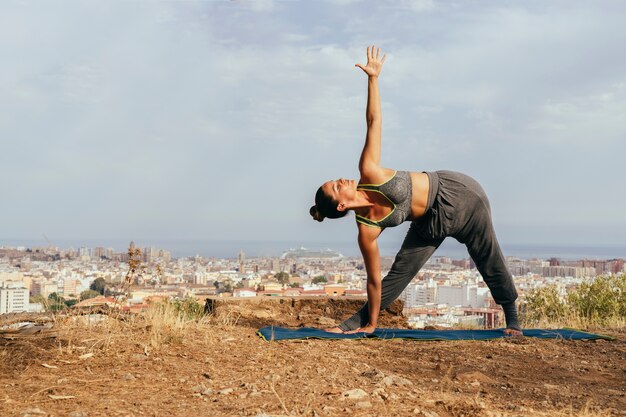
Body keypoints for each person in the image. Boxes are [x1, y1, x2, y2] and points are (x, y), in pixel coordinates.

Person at [309, 45, 522, 336]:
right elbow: (373, 280)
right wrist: (374, 324)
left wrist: (373, 79)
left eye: (335, 179)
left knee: (486, 254)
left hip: (457, 195)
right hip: (427, 224)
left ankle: (513, 322)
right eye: (336, 186)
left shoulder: (369, 172)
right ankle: (359, 324)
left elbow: (373, 122)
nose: (341, 180)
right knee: (398, 275)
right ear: (340, 206)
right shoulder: (367, 230)